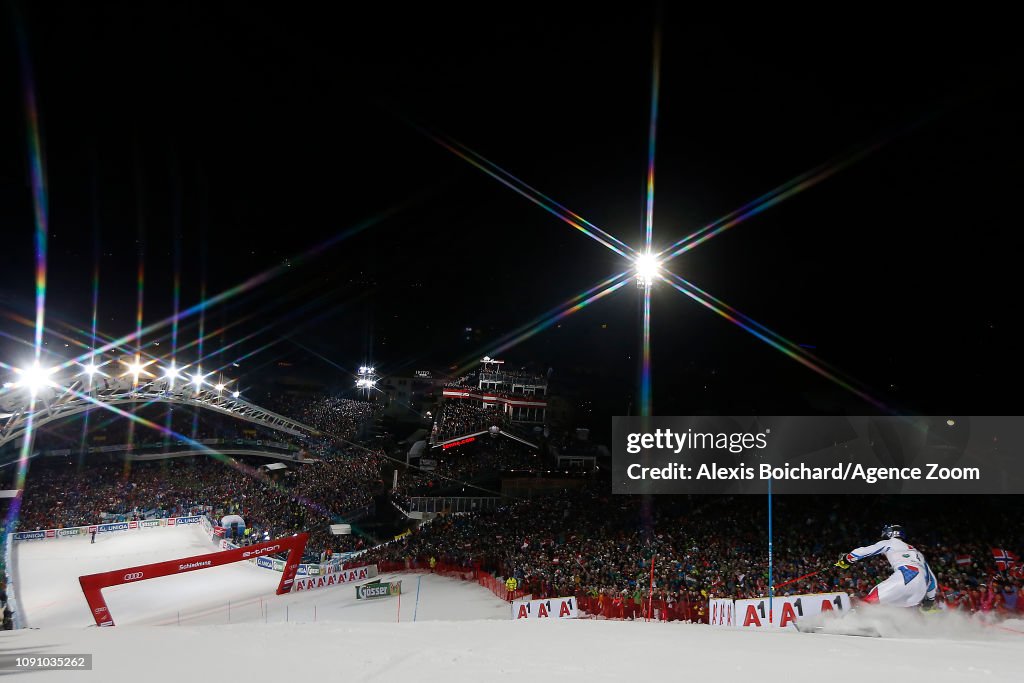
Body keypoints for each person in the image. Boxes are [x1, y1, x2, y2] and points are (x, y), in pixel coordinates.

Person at [835, 523, 937, 611]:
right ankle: (884, 625)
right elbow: (932, 581)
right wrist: (930, 600)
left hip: (908, 575)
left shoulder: (891, 542)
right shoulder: (917, 552)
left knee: (872, 598)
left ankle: (856, 622)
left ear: (890, 533)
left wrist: (847, 559)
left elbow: (863, 551)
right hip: (919, 591)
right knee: (885, 606)